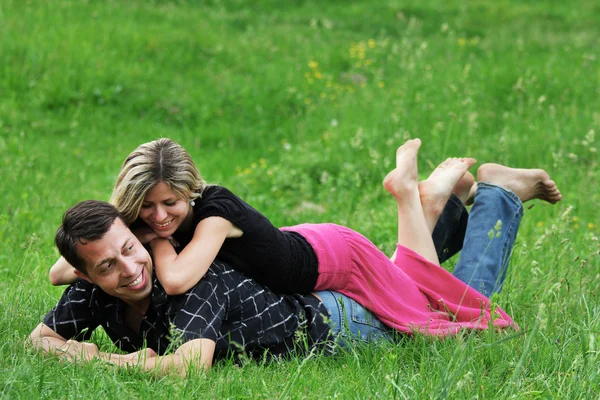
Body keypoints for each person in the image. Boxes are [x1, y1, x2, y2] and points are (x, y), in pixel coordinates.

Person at [30, 140, 561, 376]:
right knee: (415, 291)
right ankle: (435, 203)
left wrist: (146, 250)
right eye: (146, 210)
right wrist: (105, 254)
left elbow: (174, 282)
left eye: (170, 205)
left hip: (333, 258)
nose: (160, 217)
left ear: (190, 192)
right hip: (305, 259)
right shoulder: (139, 234)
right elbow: (67, 268)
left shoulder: (206, 220)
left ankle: (473, 197)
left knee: (444, 312)